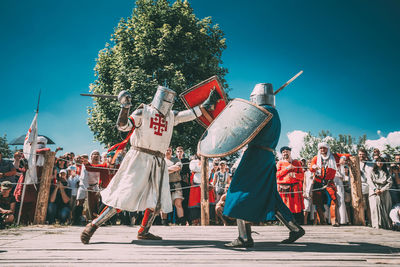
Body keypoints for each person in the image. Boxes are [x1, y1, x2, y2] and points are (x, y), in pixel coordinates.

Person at [80, 85, 220, 243]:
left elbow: (189, 114)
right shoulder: (142, 112)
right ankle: (93, 225)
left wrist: (207, 103)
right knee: (123, 196)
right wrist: (125, 107)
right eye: (165, 98)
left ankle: (143, 231)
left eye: (170, 99)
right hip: (139, 159)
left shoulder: (171, 116)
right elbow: (123, 126)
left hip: (158, 161)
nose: (167, 102)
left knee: (157, 199)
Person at [223, 83, 305, 248]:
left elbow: (242, 131)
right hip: (267, 157)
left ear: (256, 98)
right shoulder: (275, 113)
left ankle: (244, 237)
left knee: (238, 191)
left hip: (255, 156)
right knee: (269, 195)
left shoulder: (261, 112)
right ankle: (294, 228)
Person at [309, 142, 340, 226]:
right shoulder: (316, 158)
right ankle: (322, 222)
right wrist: (313, 167)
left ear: (327, 148)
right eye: (321, 148)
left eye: (324, 148)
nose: (322, 150)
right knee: (318, 202)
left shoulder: (334, 157)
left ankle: (334, 221)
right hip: (318, 182)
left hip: (329, 182)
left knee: (333, 200)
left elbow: (346, 155)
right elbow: (311, 167)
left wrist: (344, 158)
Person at [276, 146, 304, 223]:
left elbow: (302, 175)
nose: (285, 153)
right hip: (283, 188)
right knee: (285, 205)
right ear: (282, 154)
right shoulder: (280, 163)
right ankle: (285, 222)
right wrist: (287, 169)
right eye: (283, 152)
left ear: (290, 152)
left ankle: (296, 222)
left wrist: (295, 175)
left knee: (296, 205)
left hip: (295, 187)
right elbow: (277, 174)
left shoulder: (296, 162)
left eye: (287, 151)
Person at [188, 155, 216, 225]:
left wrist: (199, 168)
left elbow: (209, 168)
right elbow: (193, 168)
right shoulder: (193, 162)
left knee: (208, 203)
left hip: (207, 185)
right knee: (195, 205)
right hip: (195, 186)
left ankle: (208, 221)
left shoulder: (209, 162)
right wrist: (203, 168)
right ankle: (196, 222)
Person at [367, 157, 392, 229]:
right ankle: (376, 225)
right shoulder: (371, 171)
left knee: (386, 208)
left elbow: (389, 183)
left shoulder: (387, 172)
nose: (379, 163)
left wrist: (382, 190)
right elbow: (369, 181)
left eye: (381, 162)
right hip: (374, 191)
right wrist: (375, 189)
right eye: (378, 161)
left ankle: (386, 225)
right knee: (375, 207)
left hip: (384, 191)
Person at [163, 146, 185, 225]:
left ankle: (182, 222)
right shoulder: (161, 160)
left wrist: (165, 170)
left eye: (170, 150)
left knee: (178, 203)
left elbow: (177, 167)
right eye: (167, 150)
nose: (168, 151)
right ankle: (164, 223)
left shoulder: (176, 160)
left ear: (172, 151)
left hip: (176, 184)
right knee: (164, 204)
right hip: (164, 185)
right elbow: (159, 171)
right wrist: (171, 169)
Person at [176, 146, 191, 225]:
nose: (179, 153)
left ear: (183, 152)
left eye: (181, 151)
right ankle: (178, 220)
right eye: (178, 151)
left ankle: (186, 220)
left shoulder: (186, 160)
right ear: (176, 152)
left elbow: (188, 172)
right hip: (175, 182)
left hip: (184, 183)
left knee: (185, 201)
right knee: (177, 201)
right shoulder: (174, 160)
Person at [358, 148, 373, 225]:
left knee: (370, 206)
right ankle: (363, 222)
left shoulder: (370, 163)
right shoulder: (356, 163)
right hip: (361, 187)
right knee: (362, 206)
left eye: (363, 154)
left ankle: (371, 221)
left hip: (370, 187)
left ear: (366, 155)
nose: (361, 156)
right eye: (360, 154)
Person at [334, 156, 349, 225]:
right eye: (343, 160)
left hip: (340, 185)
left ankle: (342, 219)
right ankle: (334, 219)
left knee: (341, 201)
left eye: (344, 160)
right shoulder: (334, 166)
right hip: (333, 184)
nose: (344, 162)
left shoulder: (342, 167)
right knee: (334, 202)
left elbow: (343, 177)